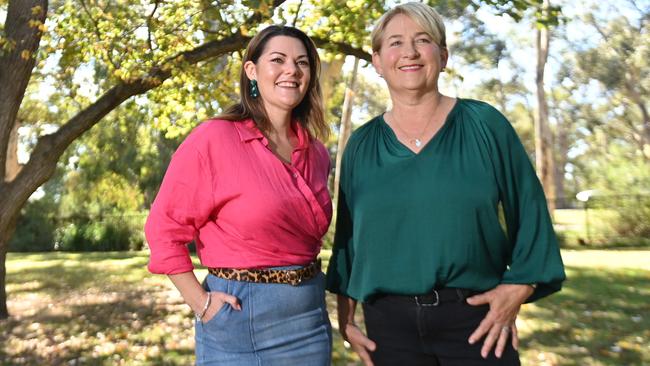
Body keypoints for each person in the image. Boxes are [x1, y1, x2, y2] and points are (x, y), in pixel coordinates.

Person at [326, 3, 566, 366]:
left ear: (443, 55)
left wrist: (521, 284)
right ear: (377, 61)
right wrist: (346, 320)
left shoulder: (484, 125)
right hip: (389, 328)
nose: (409, 52)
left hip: (476, 321)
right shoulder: (362, 144)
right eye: (395, 43)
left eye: (422, 40)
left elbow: (529, 209)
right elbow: (349, 242)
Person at [145, 25, 333, 365]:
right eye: (278, 60)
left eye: (302, 63)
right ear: (252, 71)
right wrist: (202, 305)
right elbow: (163, 230)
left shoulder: (316, 152)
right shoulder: (214, 139)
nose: (292, 70)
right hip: (239, 316)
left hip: (309, 318)